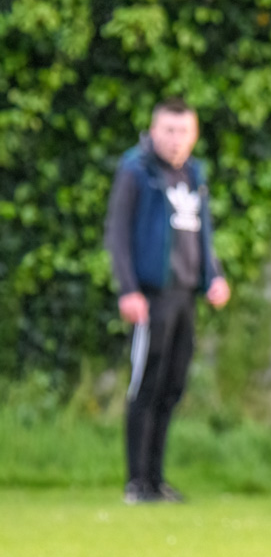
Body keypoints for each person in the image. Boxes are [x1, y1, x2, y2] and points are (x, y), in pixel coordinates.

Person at [105, 98, 230, 504]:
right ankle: (135, 482)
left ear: (194, 135)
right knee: (145, 385)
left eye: (185, 132)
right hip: (150, 297)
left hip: (184, 298)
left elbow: (202, 232)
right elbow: (117, 232)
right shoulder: (136, 170)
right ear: (154, 130)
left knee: (171, 387)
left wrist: (214, 277)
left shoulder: (194, 173)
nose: (177, 140)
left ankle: (156, 481)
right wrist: (128, 289)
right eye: (169, 131)